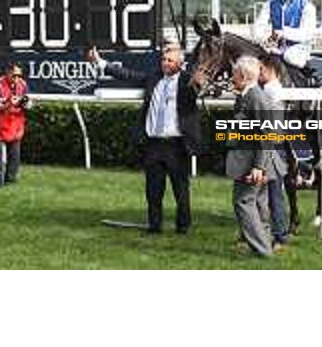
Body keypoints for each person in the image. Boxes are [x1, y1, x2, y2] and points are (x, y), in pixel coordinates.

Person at [89, 43, 203, 234]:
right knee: (153, 190)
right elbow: (127, 75)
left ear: (180, 63)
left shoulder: (188, 81)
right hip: (153, 144)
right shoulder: (154, 77)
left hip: (176, 145)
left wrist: (200, 79)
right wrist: (100, 62)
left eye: (170, 60)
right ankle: (154, 226)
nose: (165, 63)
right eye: (164, 60)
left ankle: (183, 227)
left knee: (181, 191)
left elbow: (202, 85)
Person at [227, 55, 282, 258]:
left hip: (254, 162)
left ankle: (262, 249)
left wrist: (259, 167)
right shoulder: (249, 95)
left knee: (243, 201)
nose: (231, 77)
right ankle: (263, 245)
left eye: (234, 73)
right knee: (259, 203)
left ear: (242, 75)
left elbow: (267, 135)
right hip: (255, 160)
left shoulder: (256, 97)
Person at [254, 0, 317, 68]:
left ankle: (309, 79)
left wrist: (283, 33)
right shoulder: (270, 4)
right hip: (277, 48)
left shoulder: (306, 6)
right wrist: (263, 40)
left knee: (290, 57)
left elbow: (307, 34)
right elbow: (259, 26)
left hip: (298, 49)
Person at [259, 55, 290, 249]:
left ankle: (279, 235)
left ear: (270, 69)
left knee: (273, 193)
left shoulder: (270, 91)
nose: (258, 73)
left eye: (261, 69)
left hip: (271, 147)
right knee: (273, 193)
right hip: (276, 146)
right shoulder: (273, 89)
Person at [0, 62, 31, 189]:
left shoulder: (23, 84)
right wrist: (9, 103)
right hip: (0, 125)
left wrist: (25, 104)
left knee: (15, 157)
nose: (17, 78)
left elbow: (28, 103)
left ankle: (11, 181)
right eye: (14, 75)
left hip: (16, 125)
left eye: (19, 75)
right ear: (7, 72)